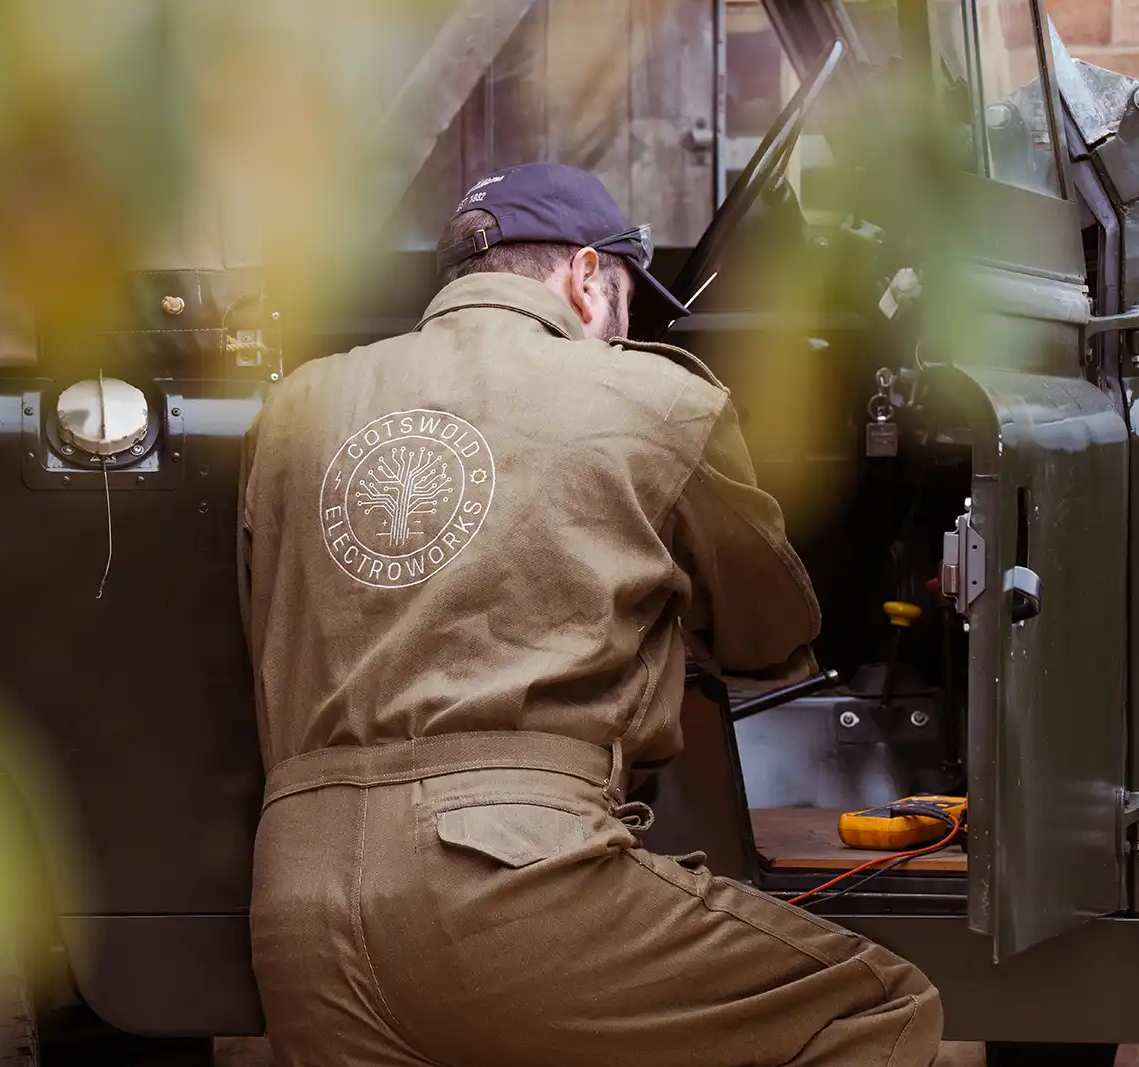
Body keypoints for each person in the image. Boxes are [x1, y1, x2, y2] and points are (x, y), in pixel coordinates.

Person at [235, 162, 942, 1067]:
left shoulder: (291, 411)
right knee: (878, 1011)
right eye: (625, 306)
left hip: (299, 899)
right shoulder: (654, 399)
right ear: (582, 276)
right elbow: (770, 631)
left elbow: (267, 633)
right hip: (512, 884)